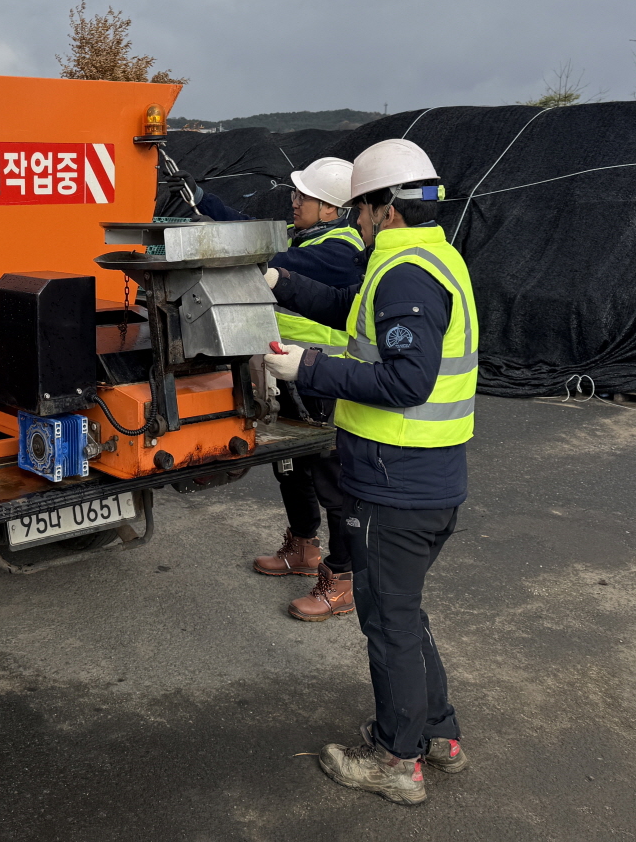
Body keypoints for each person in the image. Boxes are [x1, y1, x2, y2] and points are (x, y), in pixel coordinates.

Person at [261, 138, 475, 807]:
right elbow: (353, 312)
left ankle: (395, 758)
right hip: (428, 476)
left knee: (385, 620)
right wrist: (277, 282)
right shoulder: (425, 258)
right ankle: (438, 735)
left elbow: (405, 379)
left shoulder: (405, 273)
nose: (353, 221)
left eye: (358, 209)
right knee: (403, 613)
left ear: (384, 207)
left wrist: (308, 369)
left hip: (398, 479)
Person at [192, 160, 365, 621]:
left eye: (303, 197)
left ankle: (343, 576)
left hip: (323, 376)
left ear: (331, 208)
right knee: (290, 465)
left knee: (331, 476)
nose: (294, 202)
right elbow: (253, 231)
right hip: (289, 370)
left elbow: (273, 258)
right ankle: (303, 546)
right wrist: (204, 202)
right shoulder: (303, 235)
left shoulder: (338, 248)